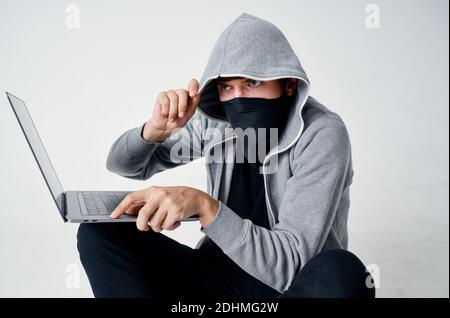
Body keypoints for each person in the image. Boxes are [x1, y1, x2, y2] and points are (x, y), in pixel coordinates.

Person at [77, 12, 376, 298]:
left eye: (253, 82)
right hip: (216, 278)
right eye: (227, 87)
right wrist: (154, 131)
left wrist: (206, 207)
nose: (238, 98)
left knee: (344, 272)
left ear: (288, 84)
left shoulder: (322, 134)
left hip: (290, 287)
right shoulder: (217, 124)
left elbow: (291, 264)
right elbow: (123, 165)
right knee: (99, 232)